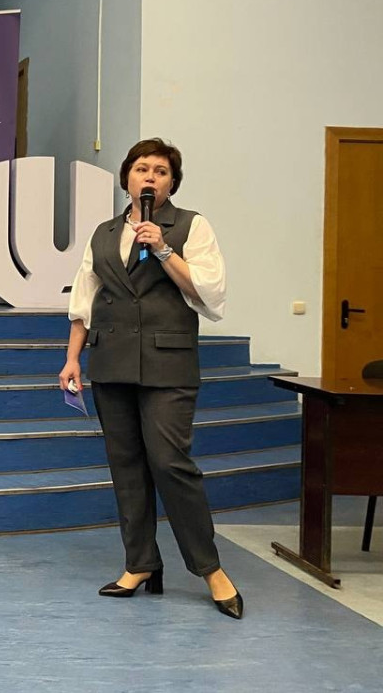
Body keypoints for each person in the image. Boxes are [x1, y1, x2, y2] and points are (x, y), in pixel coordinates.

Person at [58, 138, 243, 620]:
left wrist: (162, 249)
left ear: (172, 184)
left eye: (161, 172)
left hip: (168, 364)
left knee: (169, 462)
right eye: (142, 169)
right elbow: (84, 299)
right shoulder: (103, 233)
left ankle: (210, 569)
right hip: (111, 361)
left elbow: (208, 293)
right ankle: (140, 563)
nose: (150, 177)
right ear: (127, 178)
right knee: (126, 465)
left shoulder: (191, 226)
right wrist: (72, 359)